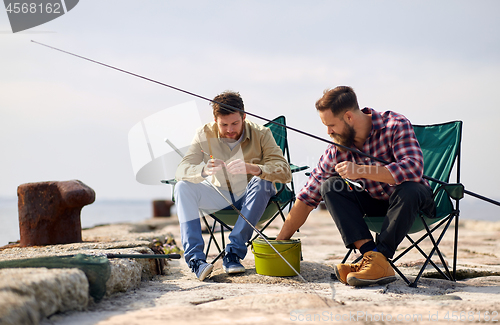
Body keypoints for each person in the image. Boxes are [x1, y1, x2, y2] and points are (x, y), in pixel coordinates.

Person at [276, 86, 435, 287]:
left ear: (349, 117)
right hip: (377, 203)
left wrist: (361, 170)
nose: (328, 132)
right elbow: (308, 195)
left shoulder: (395, 124)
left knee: (409, 188)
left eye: (331, 125)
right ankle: (372, 256)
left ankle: (379, 259)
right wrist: (279, 242)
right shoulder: (337, 147)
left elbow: (413, 168)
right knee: (330, 186)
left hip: (414, 203)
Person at [175, 90, 292, 281]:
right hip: (218, 196)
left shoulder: (262, 133)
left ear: (244, 117)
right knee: (182, 187)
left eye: (235, 123)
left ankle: (233, 253)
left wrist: (254, 168)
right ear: (215, 120)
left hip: (253, 198)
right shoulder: (203, 133)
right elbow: (181, 170)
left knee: (262, 182)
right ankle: (196, 261)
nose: (230, 129)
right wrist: (203, 170)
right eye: (224, 125)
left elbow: (284, 170)